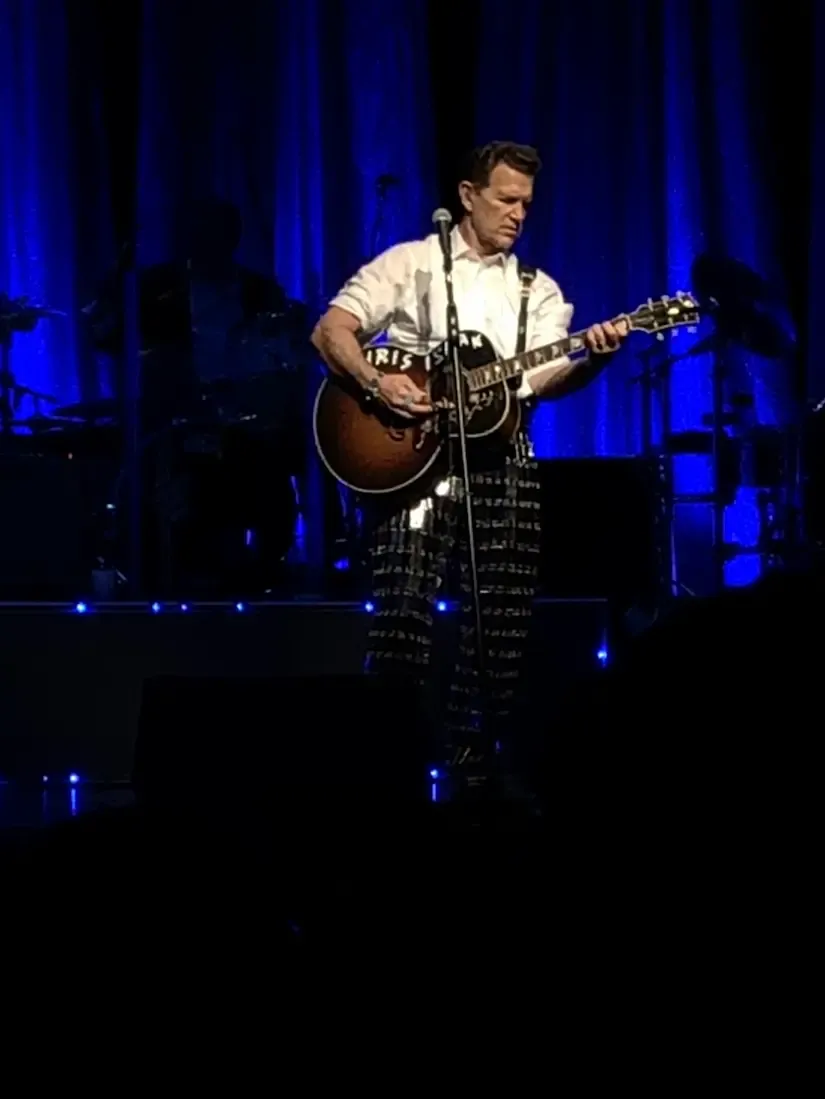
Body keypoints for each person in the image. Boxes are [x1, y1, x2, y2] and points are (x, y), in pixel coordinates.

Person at [311, 142, 629, 784]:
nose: (518, 215)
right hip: (410, 466)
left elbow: (544, 379)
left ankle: (472, 771)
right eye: (506, 200)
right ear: (467, 195)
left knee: (500, 627)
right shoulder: (411, 263)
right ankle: (387, 768)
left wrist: (594, 356)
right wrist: (378, 384)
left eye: (527, 205)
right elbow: (330, 331)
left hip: (501, 460)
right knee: (402, 618)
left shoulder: (537, 290)